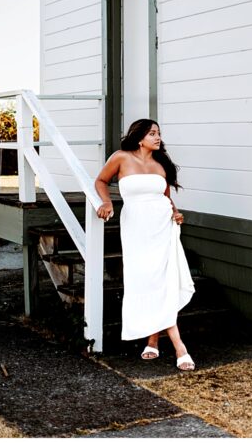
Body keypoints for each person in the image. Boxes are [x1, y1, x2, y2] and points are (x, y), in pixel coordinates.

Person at [95, 119, 196, 371]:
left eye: (159, 133)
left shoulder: (160, 163)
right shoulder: (120, 157)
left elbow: (165, 197)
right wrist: (106, 203)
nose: (158, 137)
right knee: (144, 279)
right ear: (139, 137)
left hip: (163, 226)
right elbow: (100, 181)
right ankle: (169, 343)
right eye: (152, 133)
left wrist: (175, 212)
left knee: (163, 280)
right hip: (136, 227)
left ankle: (166, 343)